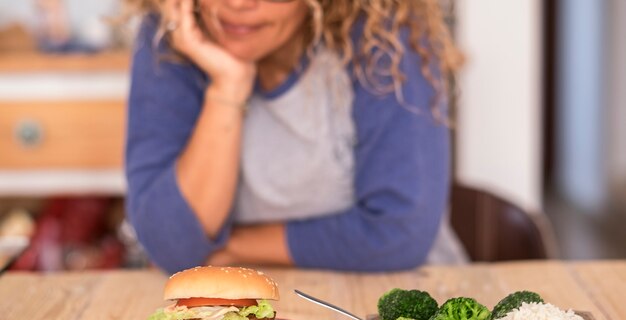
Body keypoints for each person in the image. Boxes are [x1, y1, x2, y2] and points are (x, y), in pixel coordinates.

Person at [123, 0, 466, 275]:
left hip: (404, 303)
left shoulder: (385, 37)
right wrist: (229, 85)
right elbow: (170, 243)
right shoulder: (172, 37)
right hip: (253, 309)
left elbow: (399, 233)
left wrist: (232, 247)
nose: (238, 4)